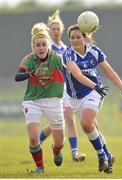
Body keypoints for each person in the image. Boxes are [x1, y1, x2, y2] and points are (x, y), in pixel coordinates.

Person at [63, 24, 122, 173]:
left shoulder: (94, 51)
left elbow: (111, 73)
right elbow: (77, 75)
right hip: (76, 98)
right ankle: (108, 155)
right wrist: (95, 86)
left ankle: (102, 157)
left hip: (94, 92)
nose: (75, 40)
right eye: (72, 37)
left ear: (85, 38)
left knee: (85, 122)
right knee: (92, 128)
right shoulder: (69, 54)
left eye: (78, 37)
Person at [15, 22, 65, 174]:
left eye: (44, 44)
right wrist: (31, 74)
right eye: (38, 45)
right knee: (33, 138)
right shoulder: (29, 60)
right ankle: (40, 167)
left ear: (48, 45)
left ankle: (56, 151)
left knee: (60, 143)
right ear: (33, 47)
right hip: (33, 101)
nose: (41, 48)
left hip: (53, 100)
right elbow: (17, 77)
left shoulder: (56, 58)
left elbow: (71, 71)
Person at [39, 9, 85, 162]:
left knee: (69, 120)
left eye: (58, 28)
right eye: (53, 28)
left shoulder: (66, 48)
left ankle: (74, 154)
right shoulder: (47, 47)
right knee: (57, 123)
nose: (56, 31)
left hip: (65, 88)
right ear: (49, 31)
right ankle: (36, 143)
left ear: (62, 30)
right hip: (52, 88)